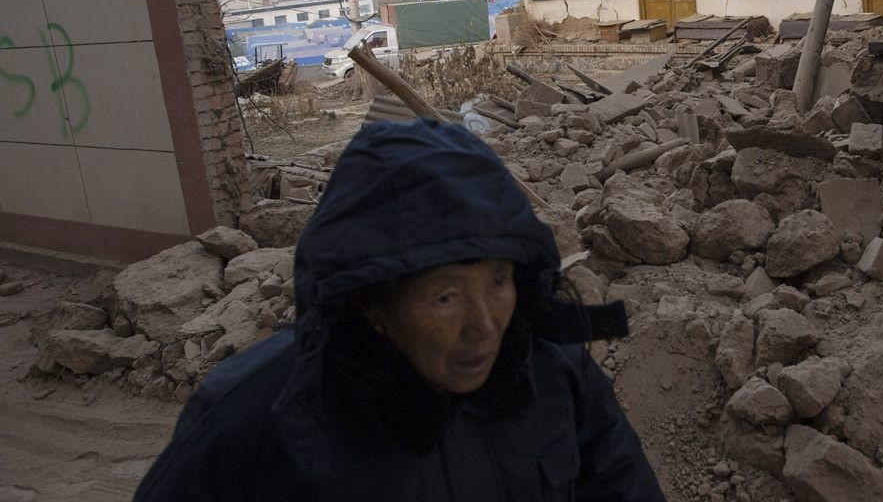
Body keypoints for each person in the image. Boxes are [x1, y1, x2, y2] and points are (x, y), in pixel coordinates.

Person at [134, 119, 666, 501]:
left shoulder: (553, 372)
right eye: (445, 297)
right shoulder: (255, 418)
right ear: (371, 303)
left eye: (499, 281)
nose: (485, 328)